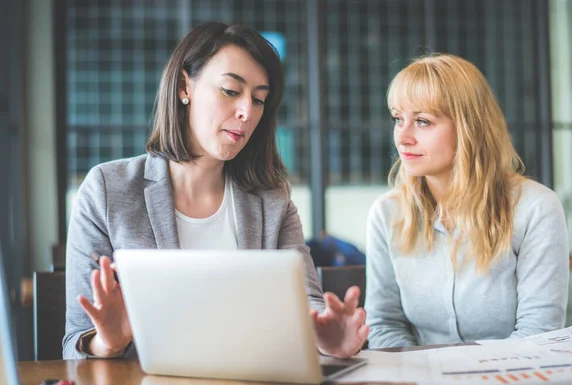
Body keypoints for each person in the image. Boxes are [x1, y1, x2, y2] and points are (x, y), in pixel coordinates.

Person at [63, 22, 368, 360]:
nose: (246, 112)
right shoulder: (107, 189)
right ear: (184, 87)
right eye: (230, 91)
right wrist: (110, 341)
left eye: (259, 99)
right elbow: (75, 345)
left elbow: (307, 300)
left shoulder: (272, 198)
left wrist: (325, 336)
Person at [365, 54, 569, 349]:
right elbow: (383, 325)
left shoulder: (536, 208)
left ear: (468, 127)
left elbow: (539, 332)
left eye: (422, 121)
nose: (403, 137)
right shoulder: (387, 213)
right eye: (398, 119)